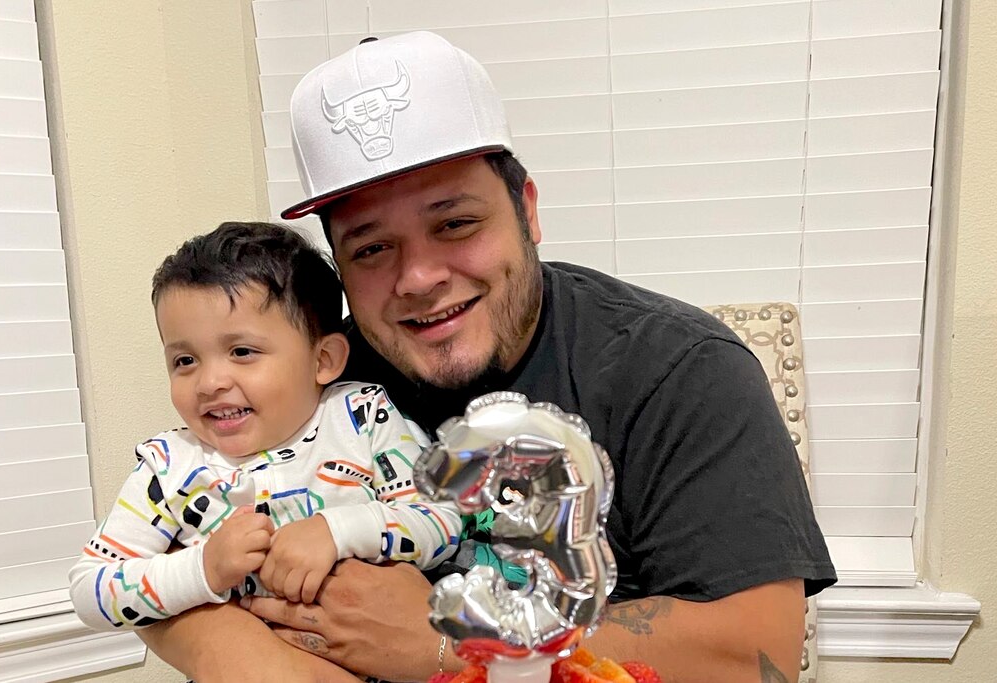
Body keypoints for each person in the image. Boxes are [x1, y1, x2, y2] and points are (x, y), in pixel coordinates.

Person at [138, 32, 835, 682]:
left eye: (456, 223)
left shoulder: (677, 369)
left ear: (527, 210)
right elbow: (151, 572)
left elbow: (756, 651)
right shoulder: (311, 378)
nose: (418, 277)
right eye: (372, 247)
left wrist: (451, 642)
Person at [69, 222, 460, 681]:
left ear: (323, 360)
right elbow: (90, 590)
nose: (210, 382)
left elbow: (442, 519)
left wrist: (338, 530)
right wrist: (203, 569)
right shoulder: (170, 464)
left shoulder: (362, 417)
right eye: (185, 361)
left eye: (242, 351)